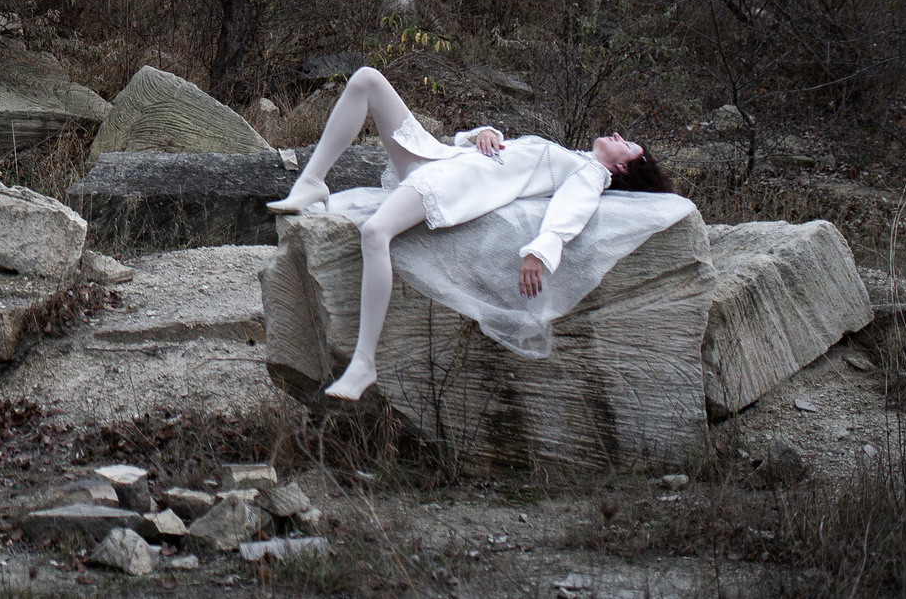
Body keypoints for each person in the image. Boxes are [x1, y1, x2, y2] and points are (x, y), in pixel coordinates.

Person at [265, 65, 673, 401]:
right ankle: (313, 179)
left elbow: (572, 209)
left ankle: (363, 362)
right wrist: (482, 134)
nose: (618, 136)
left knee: (375, 233)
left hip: (449, 186)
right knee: (366, 79)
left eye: (628, 145)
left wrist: (541, 250)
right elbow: (501, 155)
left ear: (621, 169)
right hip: (439, 159)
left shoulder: (591, 173)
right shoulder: (573, 156)